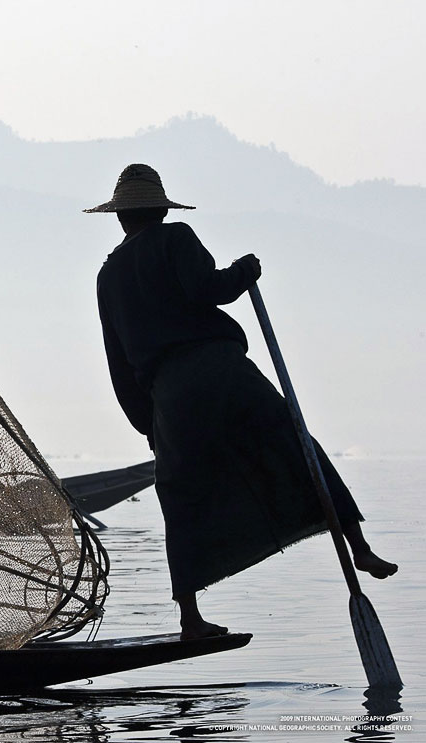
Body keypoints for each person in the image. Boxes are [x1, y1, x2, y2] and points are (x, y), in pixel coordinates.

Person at [88, 164, 397, 640]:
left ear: (121, 219)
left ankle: (190, 617)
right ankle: (359, 547)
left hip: (169, 394)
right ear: (161, 209)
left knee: (181, 494)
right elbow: (209, 290)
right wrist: (244, 271)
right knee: (296, 446)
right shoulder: (176, 238)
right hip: (221, 370)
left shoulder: (107, 276)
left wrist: (148, 424)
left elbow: (119, 362)